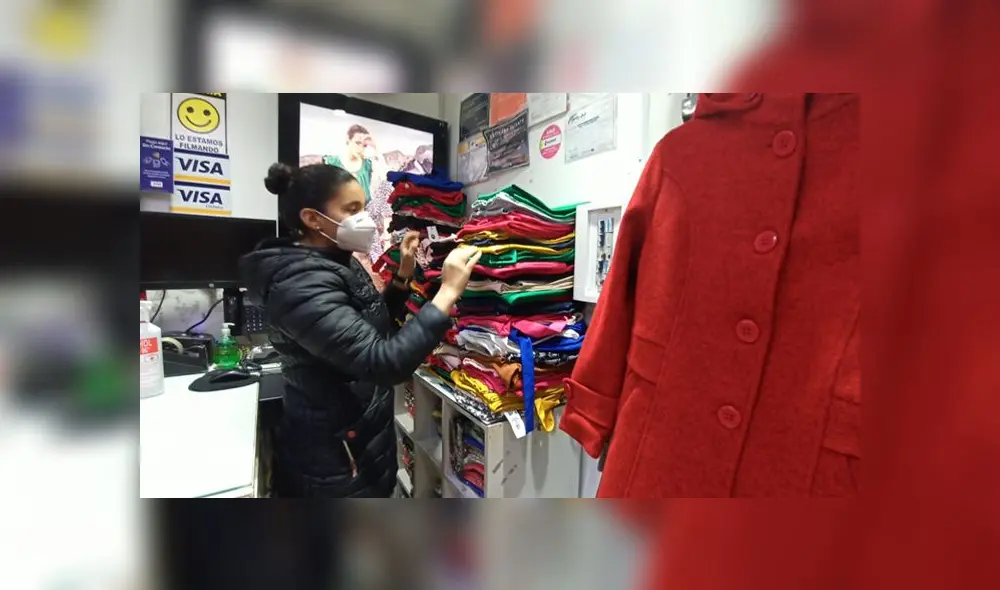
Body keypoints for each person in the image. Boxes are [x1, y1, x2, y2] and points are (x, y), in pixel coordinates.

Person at [240, 162, 481, 498]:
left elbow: (368, 323)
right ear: (312, 218)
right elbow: (383, 363)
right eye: (352, 209)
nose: (365, 218)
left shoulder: (334, 259)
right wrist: (447, 292)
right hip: (336, 460)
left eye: (364, 207)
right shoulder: (300, 282)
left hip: (357, 439)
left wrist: (402, 276)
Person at [322, 124, 383, 204]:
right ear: (348, 139)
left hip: (362, 213)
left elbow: (387, 181)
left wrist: (375, 147)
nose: (361, 148)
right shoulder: (331, 162)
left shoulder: (368, 164)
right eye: (357, 143)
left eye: (364, 145)